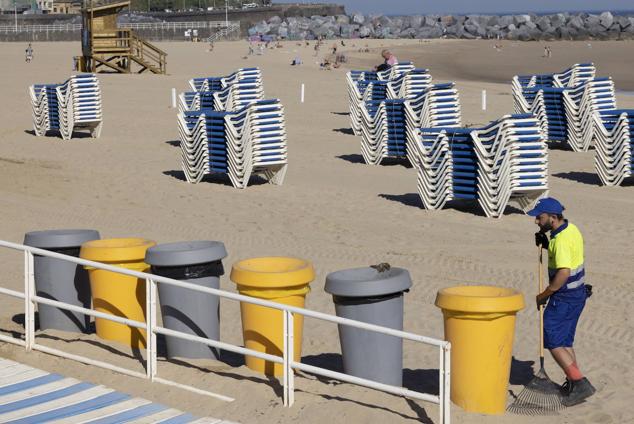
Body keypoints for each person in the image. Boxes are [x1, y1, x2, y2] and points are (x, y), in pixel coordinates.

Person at [528, 197, 595, 406]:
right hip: (577, 295)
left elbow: (564, 272)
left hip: (564, 297)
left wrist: (545, 294)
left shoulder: (561, 240)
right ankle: (574, 382)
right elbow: (566, 257)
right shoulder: (570, 229)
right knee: (565, 341)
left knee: (552, 338)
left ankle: (579, 382)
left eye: (540, 218)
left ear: (553, 218)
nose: (537, 221)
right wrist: (548, 245)